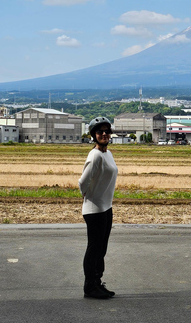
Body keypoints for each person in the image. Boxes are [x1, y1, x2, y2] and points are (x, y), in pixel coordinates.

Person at [78, 116, 118, 299]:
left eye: (106, 131)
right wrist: (87, 195)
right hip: (95, 209)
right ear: (93, 135)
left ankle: (97, 282)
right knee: (94, 248)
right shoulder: (95, 155)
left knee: (101, 248)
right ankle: (90, 286)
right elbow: (82, 182)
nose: (104, 134)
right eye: (100, 131)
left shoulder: (107, 153)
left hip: (106, 207)